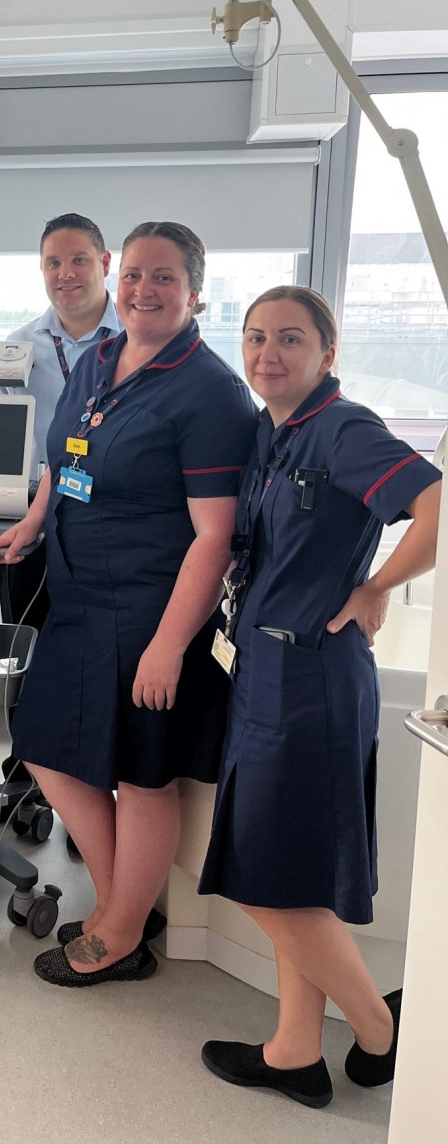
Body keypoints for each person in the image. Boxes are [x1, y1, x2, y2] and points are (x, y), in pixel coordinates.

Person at [0, 221, 258, 986]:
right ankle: (122, 908)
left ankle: (118, 931)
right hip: (78, 596)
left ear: (194, 291)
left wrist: (171, 645)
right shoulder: (99, 358)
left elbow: (215, 536)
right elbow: (63, 455)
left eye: (163, 277)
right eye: (135, 274)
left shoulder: (209, 392)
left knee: (143, 773)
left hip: (150, 608)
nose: (143, 289)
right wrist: (34, 521)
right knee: (43, 740)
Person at [197, 287, 440, 1109]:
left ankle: (378, 1030)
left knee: (266, 880)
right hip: (265, 672)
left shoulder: (343, 428)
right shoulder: (274, 431)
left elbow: (436, 507)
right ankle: (296, 1050)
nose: (269, 353)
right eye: (257, 337)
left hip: (310, 684)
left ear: (328, 352)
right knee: (289, 872)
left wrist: (376, 587)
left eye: (291, 338)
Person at [0, 212, 121, 637]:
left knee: (104, 648)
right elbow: (4, 444)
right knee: (24, 648)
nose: (65, 274)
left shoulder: (135, 342)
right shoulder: (18, 348)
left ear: (104, 263)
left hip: (113, 518)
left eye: (79, 260)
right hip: (35, 516)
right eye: (53, 263)